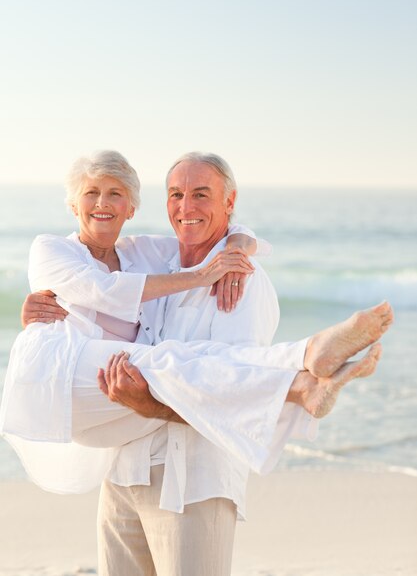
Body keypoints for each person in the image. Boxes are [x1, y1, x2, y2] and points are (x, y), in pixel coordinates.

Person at [7, 151, 392, 576]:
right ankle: (297, 377)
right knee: (166, 360)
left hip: (191, 482)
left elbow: (233, 382)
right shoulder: (155, 261)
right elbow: (103, 290)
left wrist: (151, 405)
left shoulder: (236, 279)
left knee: (190, 361)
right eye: (176, 194)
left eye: (201, 194)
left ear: (229, 202)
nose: (186, 207)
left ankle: (302, 372)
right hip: (122, 472)